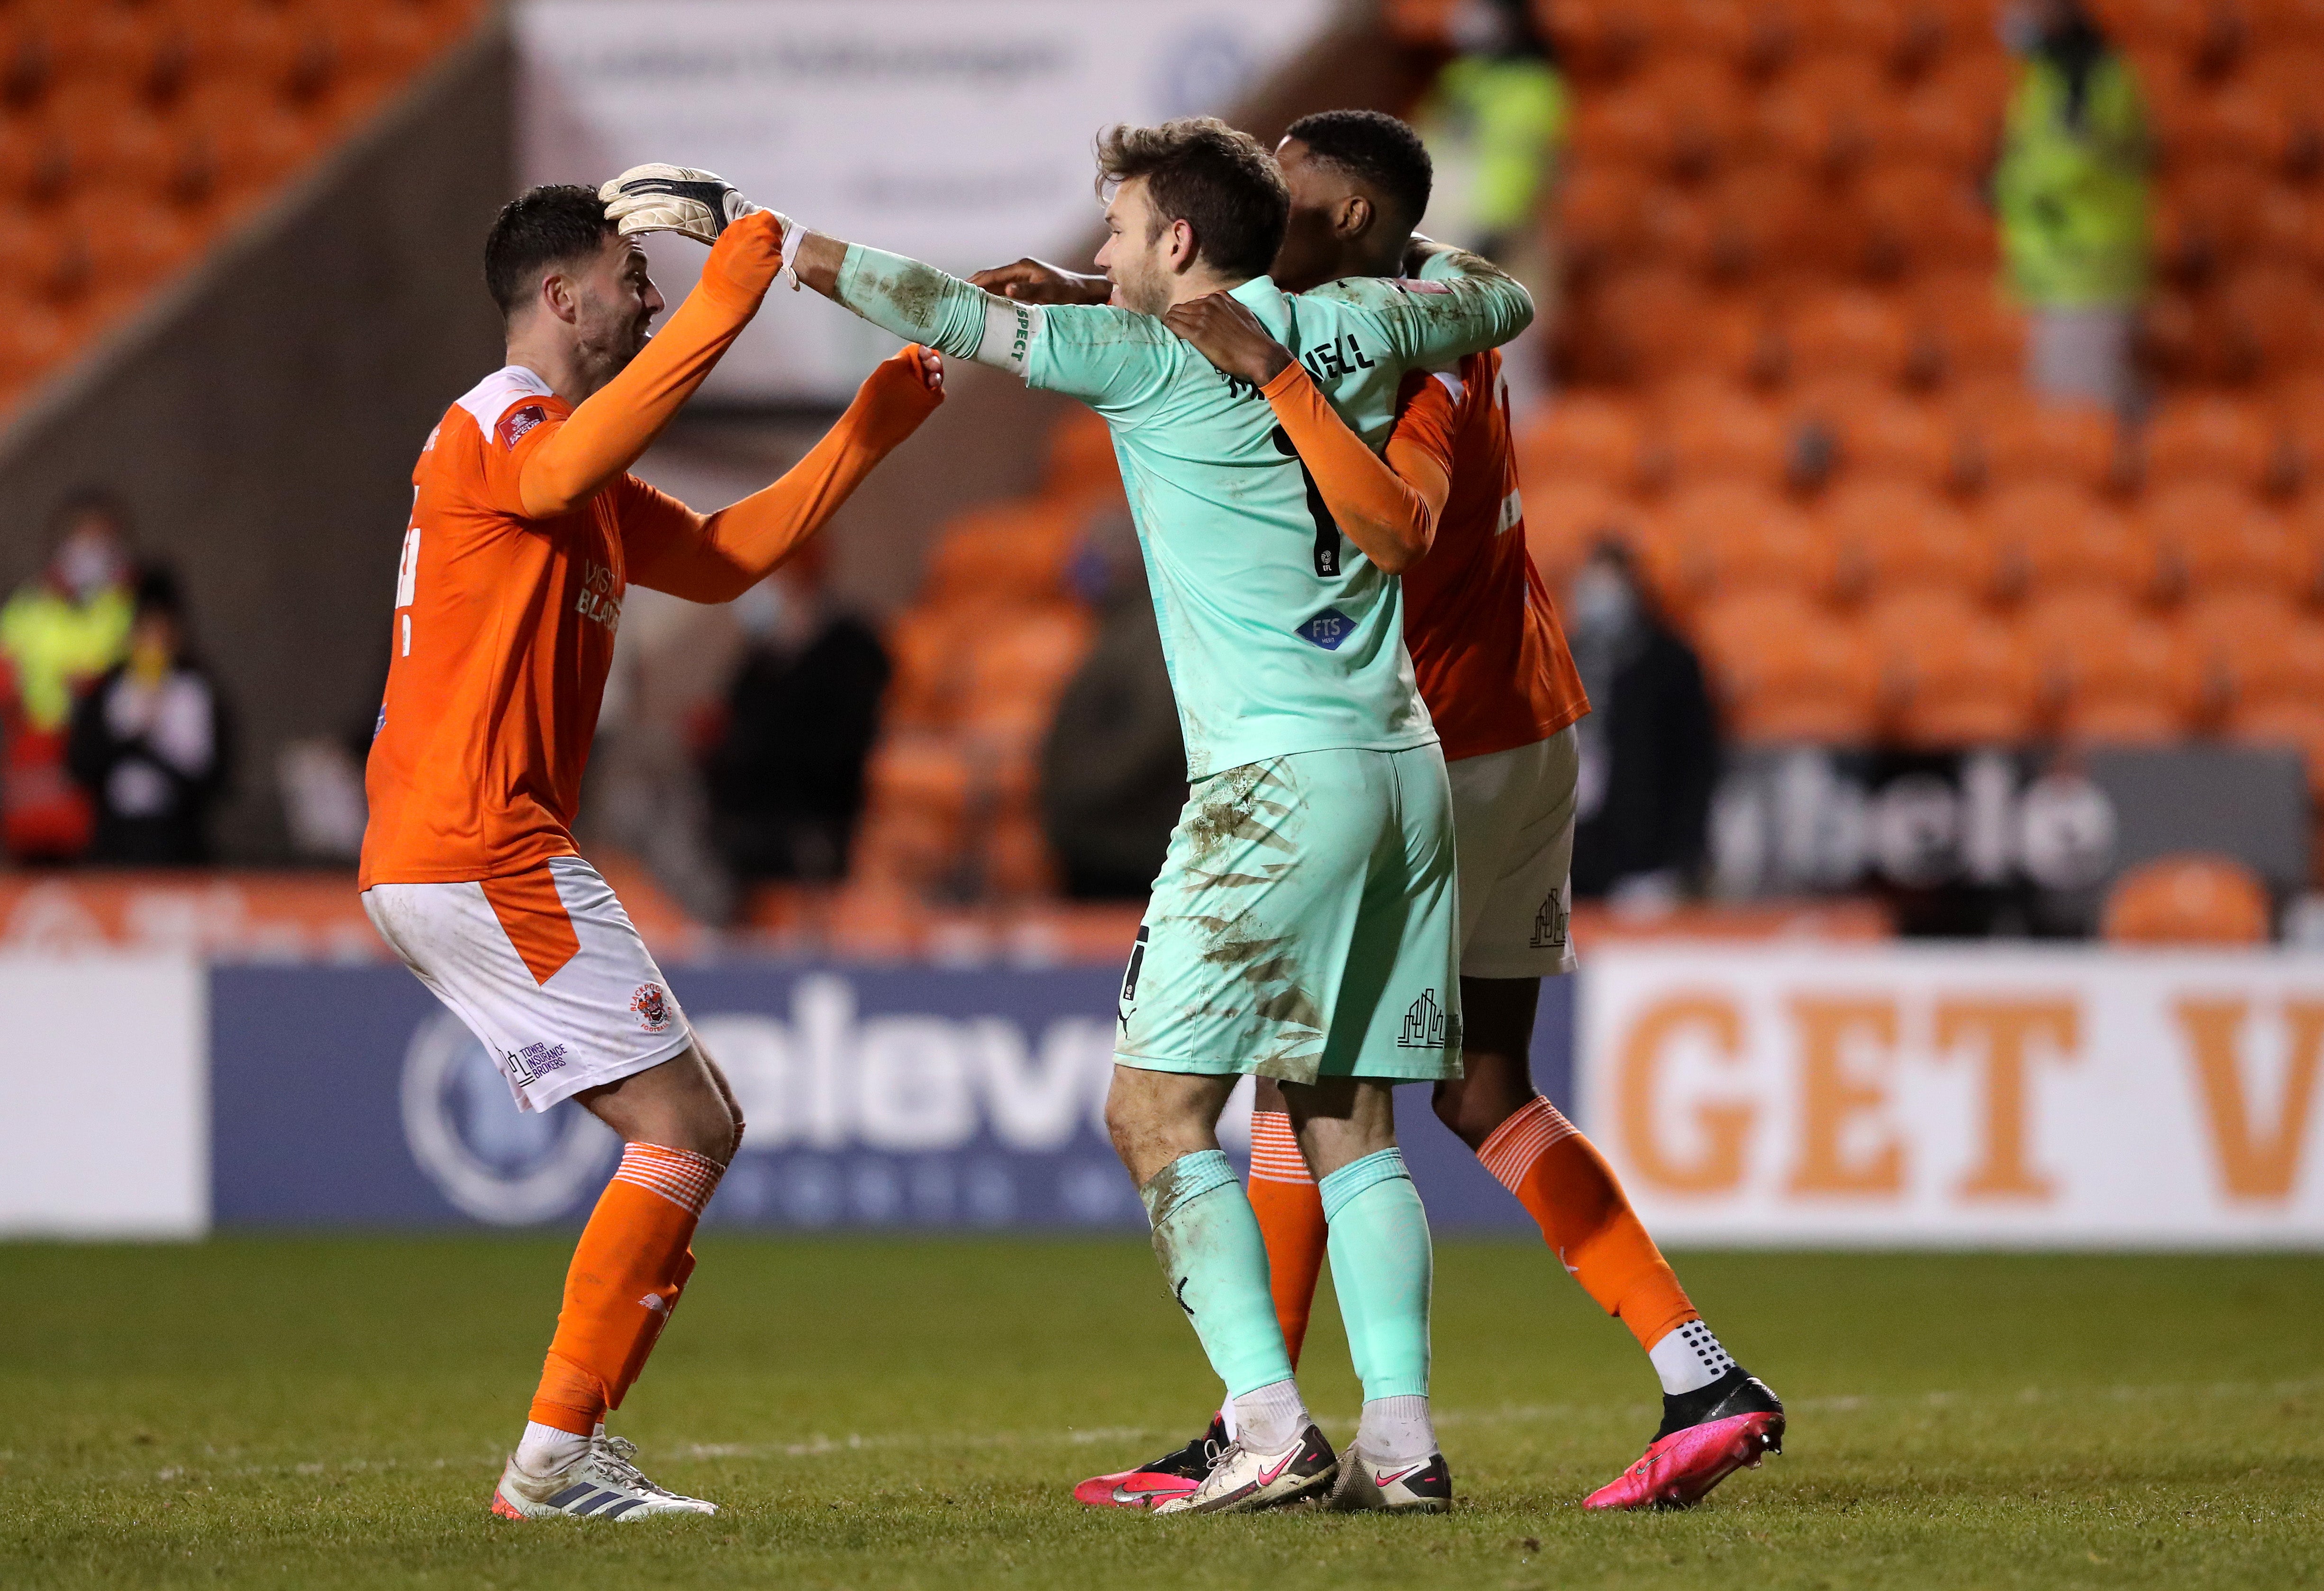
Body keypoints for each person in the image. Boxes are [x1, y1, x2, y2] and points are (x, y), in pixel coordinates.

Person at [604, 116, 1531, 1514]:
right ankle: (1400, 1444)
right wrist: (1128, 285)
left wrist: (754, 227)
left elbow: (937, 307)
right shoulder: (1364, 321)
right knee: (1346, 1120)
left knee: (1151, 1112)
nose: (1094, 248)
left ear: (1174, 244)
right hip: (1395, 769)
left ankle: (1266, 1426)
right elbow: (1498, 294)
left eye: (1115, 230)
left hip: (1269, 782)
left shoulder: (1148, 355)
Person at [1009, 110, 1780, 1514]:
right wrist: (1098, 293)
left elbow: (1399, 517)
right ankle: (1695, 1372)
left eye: (1290, 194)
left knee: (1304, 1085)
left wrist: (1256, 384)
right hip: (1513, 728)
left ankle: (1265, 1424)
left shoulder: (1395, 358)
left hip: (1431, 743)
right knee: (1476, 1090)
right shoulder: (1399, 310)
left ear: (1353, 215)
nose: (1268, 212)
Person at [358, 181, 943, 1520]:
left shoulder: (572, 454)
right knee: (686, 1121)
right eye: (633, 274)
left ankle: (567, 1448)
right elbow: (559, 471)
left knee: (694, 1124)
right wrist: (737, 289)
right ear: (561, 298)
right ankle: (554, 1458)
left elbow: (733, 555)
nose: (654, 293)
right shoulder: (507, 418)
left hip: (468, 843)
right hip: (478, 839)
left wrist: (866, 427)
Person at [1994, 0, 2151, 412]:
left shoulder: (2088, 74)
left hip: (2087, 261)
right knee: (2064, 394)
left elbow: (2072, 160)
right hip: (2056, 263)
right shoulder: (2049, 72)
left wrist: (2004, 184)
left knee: (2077, 407)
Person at [702, 542, 890, 884]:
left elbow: (846, 744)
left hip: (812, 827)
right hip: (743, 824)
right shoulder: (759, 658)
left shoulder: (851, 647)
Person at [1567, 539, 1719, 905]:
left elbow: (1694, 766)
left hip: (1645, 859)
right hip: (1572, 855)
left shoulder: (1671, 664)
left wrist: (1680, 862)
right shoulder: (1561, 656)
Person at [0, 494, 135, 861]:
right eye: (82, 539)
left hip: (111, 771)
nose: (91, 552)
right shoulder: (27, 612)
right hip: (41, 763)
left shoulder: (131, 612)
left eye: (101, 540)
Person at [66, 566, 228, 865]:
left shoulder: (197, 691)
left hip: (180, 843)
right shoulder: (109, 689)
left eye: (162, 634)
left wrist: (152, 747)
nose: (153, 644)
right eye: (144, 632)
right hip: (116, 841)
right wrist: (132, 738)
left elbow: (215, 778)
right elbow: (82, 763)